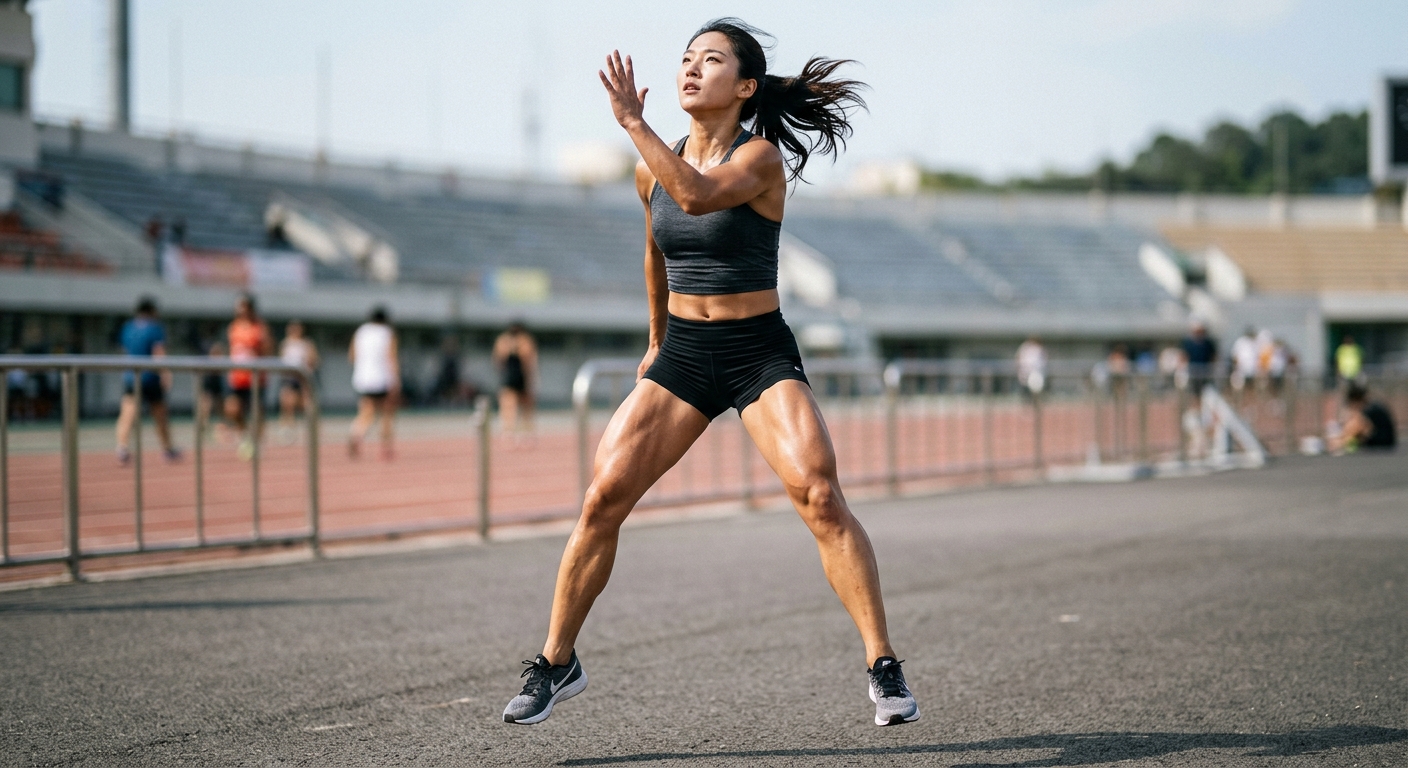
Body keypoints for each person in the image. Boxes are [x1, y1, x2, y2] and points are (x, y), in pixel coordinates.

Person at [502, 19, 920, 728]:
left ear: (746, 86)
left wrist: (633, 123)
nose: (692, 70)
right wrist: (657, 339)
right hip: (687, 355)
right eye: (687, 60)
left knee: (819, 493)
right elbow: (656, 252)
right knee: (603, 496)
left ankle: (883, 664)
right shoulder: (651, 169)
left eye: (712, 61)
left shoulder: (759, 160)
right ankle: (556, 662)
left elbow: (694, 195)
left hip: (758, 350)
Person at [115, 297, 180, 464]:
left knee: (127, 414)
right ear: (151, 311)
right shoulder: (154, 328)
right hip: (150, 377)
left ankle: (122, 448)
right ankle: (167, 449)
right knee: (160, 415)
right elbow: (158, 351)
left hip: (131, 376)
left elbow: (125, 349)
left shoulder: (128, 327)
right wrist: (165, 373)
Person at [224, 293, 272, 461]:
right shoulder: (234, 327)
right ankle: (245, 435)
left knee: (257, 412)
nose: (240, 309)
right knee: (232, 409)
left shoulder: (259, 327)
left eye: (243, 305)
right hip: (237, 377)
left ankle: (256, 442)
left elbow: (268, 350)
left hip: (255, 378)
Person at [347, 306, 399, 460]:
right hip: (382, 378)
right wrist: (396, 380)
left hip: (363, 378)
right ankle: (385, 448)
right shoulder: (387, 333)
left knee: (366, 413)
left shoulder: (361, 332)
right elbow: (391, 357)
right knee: (387, 414)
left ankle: (356, 433)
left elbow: (351, 356)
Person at [493, 322, 538, 437]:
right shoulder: (504, 341)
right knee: (508, 403)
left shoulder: (524, 340)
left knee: (525, 405)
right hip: (510, 376)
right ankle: (509, 429)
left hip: (519, 376)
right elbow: (498, 359)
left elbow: (529, 360)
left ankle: (525, 430)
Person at [277, 320, 319, 441]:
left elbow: (315, 360)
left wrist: (309, 361)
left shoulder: (306, 343)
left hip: (303, 378)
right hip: (289, 379)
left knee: (306, 404)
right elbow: (281, 359)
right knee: (287, 403)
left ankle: (311, 429)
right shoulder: (286, 343)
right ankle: (287, 429)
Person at [1328, 383, 1396, 452]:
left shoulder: (1370, 410)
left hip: (1382, 447)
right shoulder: (1374, 407)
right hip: (1384, 445)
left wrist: (1340, 441)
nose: (1352, 409)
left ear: (1355, 402)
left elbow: (1355, 427)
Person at [197, 340, 228, 443]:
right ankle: (203, 427)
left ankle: (222, 429)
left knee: (220, 406)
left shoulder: (216, 347)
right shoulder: (208, 348)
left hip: (216, 382)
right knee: (206, 405)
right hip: (210, 381)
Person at [1180, 322, 1217, 396]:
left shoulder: (1208, 343)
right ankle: (1196, 405)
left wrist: (1214, 368)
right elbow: (1184, 356)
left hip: (1206, 371)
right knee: (1194, 391)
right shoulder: (1188, 343)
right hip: (1193, 371)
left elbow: (1213, 356)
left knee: (1206, 390)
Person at [1229, 326, 1258, 393]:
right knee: (1239, 388)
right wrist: (1237, 367)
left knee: (1251, 388)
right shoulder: (1240, 342)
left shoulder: (1254, 342)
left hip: (1252, 371)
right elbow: (1235, 355)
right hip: (1241, 370)